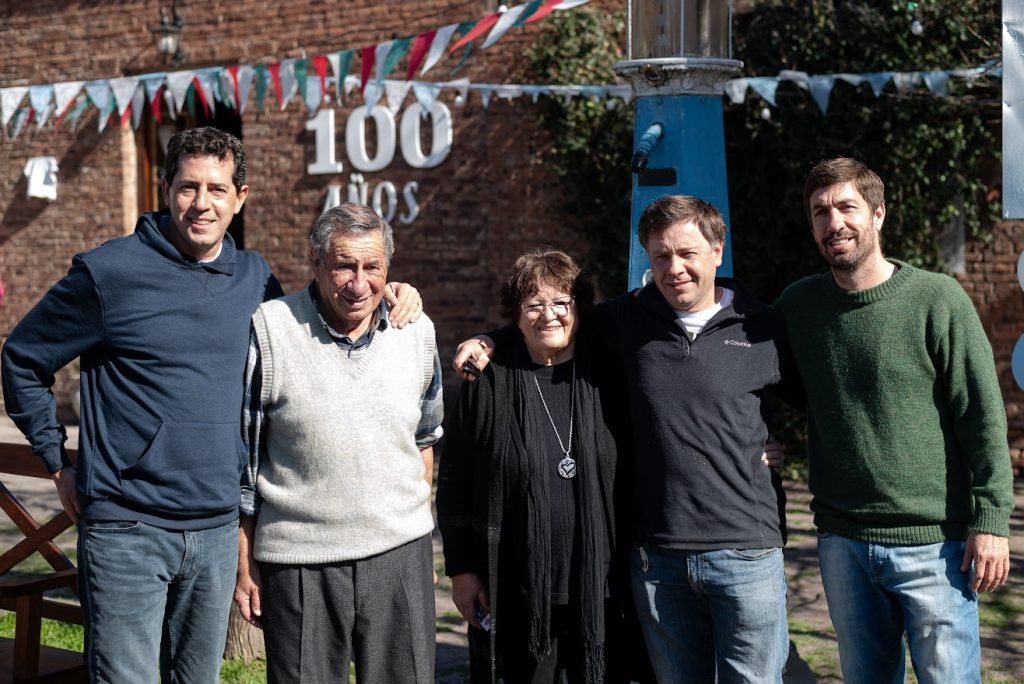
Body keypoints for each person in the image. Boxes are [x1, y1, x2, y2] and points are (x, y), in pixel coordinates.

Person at [0, 127, 421, 683]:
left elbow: (320, 323)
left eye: (218, 189)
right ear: (166, 189)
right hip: (128, 528)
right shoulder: (109, 273)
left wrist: (394, 294)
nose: (202, 203)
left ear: (240, 197)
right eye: (188, 187)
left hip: (217, 531)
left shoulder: (254, 280)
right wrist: (57, 462)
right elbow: (23, 360)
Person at [453, 197, 798, 683]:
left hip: (747, 550)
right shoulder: (629, 319)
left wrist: (771, 448)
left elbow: (818, 399)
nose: (674, 268)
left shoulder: (763, 324)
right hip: (660, 557)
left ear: (717, 251)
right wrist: (488, 340)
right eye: (661, 256)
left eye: (688, 253)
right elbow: (546, 323)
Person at [774, 157, 1015, 683]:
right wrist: (760, 439)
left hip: (937, 546)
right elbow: (758, 381)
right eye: (819, 211)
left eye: (846, 207)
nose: (833, 222)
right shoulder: (798, 307)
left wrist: (991, 521)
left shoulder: (936, 299)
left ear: (878, 214)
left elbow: (982, 415)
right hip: (842, 544)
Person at [233, 203, 441, 684]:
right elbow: (243, 461)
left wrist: (421, 539)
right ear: (316, 262)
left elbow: (426, 439)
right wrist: (243, 563)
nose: (359, 282)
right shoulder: (271, 328)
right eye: (344, 265)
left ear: (389, 270)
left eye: (373, 268)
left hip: (399, 555)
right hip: (300, 561)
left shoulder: (417, 332)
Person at [437, 249, 641, 683]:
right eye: (533, 304)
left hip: (603, 592)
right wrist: (462, 571)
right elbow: (454, 483)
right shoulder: (487, 383)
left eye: (561, 302)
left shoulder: (609, 376)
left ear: (579, 308)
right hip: (514, 592)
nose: (549, 315)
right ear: (516, 314)